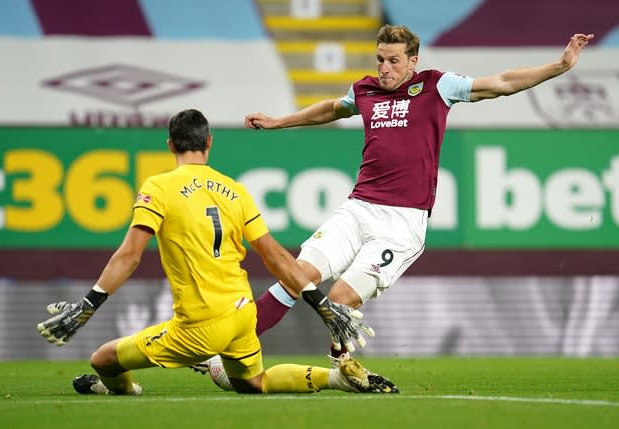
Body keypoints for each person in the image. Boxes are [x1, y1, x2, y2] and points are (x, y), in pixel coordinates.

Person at [243, 24, 595, 365]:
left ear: (413, 61)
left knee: (339, 300)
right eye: (380, 59)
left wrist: (560, 66)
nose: (384, 68)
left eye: (393, 60)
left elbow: (501, 83)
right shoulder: (364, 91)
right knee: (298, 274)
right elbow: (332, 109)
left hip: (401, 223)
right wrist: (279, 122)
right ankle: (229, 347)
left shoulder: (438, 85)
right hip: (358, 209)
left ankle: (341, 365)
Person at [36, 108, 397, 395]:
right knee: (254, 383)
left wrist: (87, 306)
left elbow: (129, 256)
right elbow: (276, 257)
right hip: (243, 316)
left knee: (103, 359)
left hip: (198, 327)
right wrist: (321, 304)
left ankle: (123, 389)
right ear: (209, 142)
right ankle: (334, 379)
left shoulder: (158, 187)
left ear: (169, 145)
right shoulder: (234, 189)